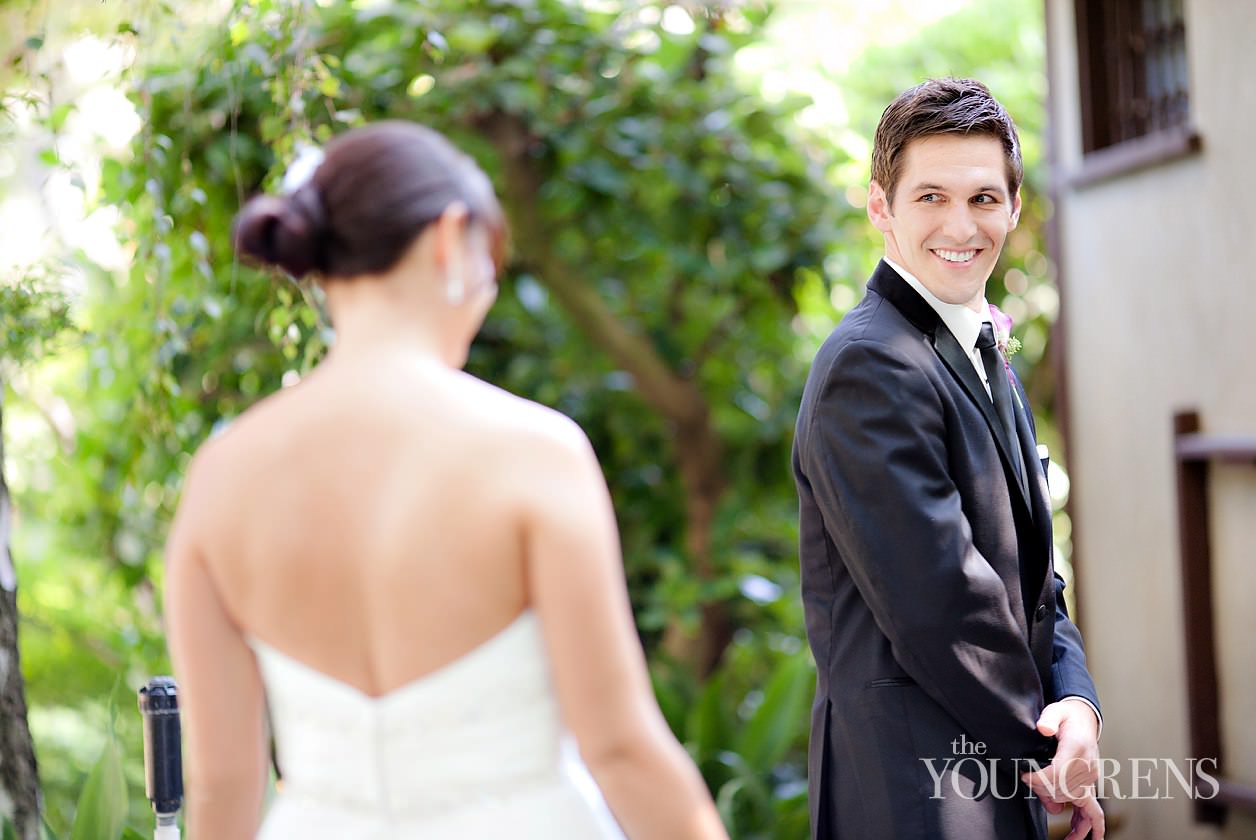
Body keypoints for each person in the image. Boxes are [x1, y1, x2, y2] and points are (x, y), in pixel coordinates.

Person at [164, 120, 728, 840]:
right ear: (447, 237)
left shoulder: (222, 476)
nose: (487, 292)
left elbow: (223, 785)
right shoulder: (533, 451)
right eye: (490, 265)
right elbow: (619, 748)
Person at [792, 79, 1105, 840]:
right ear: (880, 209)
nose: (960, 226)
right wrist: (1048, 756)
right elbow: (939, 605)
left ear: (1014, 208)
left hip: (989, 767)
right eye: (930, 196)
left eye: (983, 199)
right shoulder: (871, 365)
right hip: (917, 795)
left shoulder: (977, 347)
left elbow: (1035, 579)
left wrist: (1077, 705)